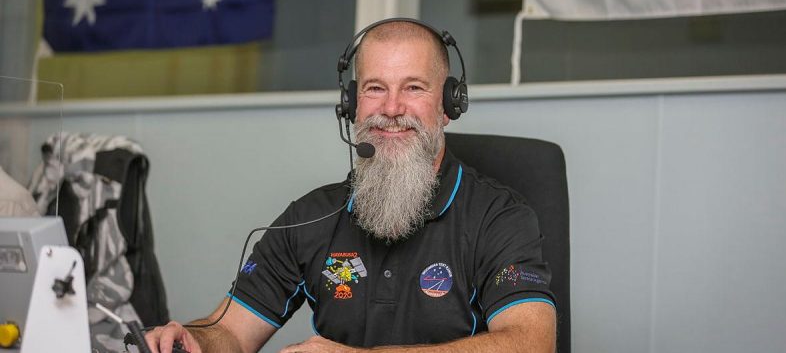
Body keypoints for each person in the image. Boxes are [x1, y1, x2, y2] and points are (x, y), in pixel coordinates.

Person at [146, 20, 557, 353]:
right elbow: (232, 332)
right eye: (375, 88)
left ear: (448, 106)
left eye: (413, 88)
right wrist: (193, 340)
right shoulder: (308, 219)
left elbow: (532, 343)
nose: (392, 109)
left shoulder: (500, 217)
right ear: (351, 104)